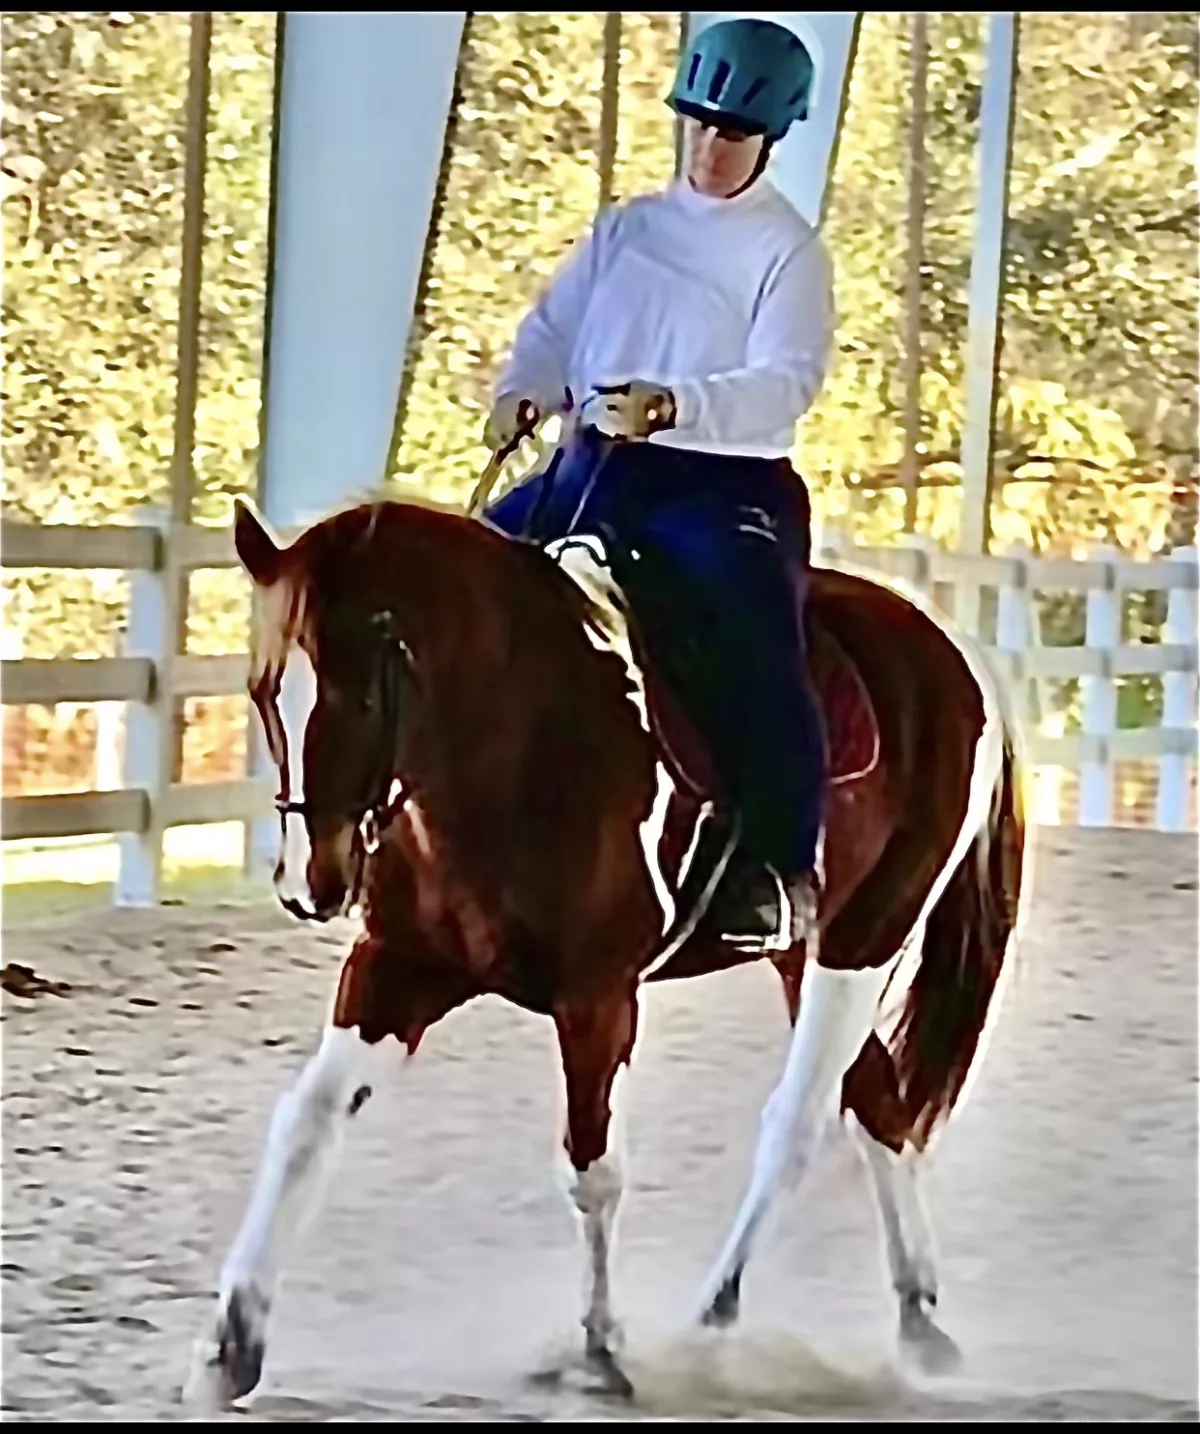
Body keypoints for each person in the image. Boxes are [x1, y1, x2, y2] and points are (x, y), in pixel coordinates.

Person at [482, 16, 835, 947]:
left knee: (757, 643)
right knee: (465, 582)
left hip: (722, 488)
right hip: (591, 466)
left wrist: (677, 406)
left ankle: (778, 866)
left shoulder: (787, 252)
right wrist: (523, 390)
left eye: (736, 133)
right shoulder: (625, 229)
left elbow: (788, 380)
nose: (712, 147)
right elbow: (553, 328)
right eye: (701, 125)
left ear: (771, 139)